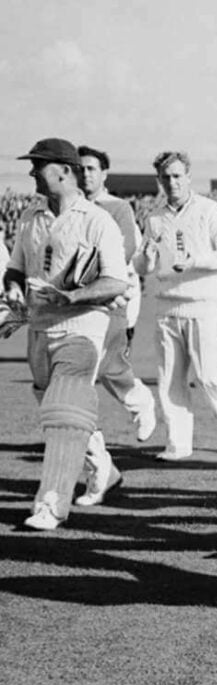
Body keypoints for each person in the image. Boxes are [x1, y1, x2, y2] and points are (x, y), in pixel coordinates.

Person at [4, 138, 129, 529]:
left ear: (63, 170)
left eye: (38, 166)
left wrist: (70, 296)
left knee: (62, 415)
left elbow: (115, 281)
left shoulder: (97, 220)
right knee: (58, 409)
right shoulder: (30, 216)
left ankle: (51, 505)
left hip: (83, 326)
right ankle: (103, 470)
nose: (31, 173)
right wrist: (13, 291)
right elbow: (17, 269)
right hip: (39, 328)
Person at [134, 151, 217, 461]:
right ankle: (178, 444)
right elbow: (140, 266)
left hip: (202, 303)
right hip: (166, 305)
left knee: (209, 376)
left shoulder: (209, 210)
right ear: (160, 180)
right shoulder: (154, 217)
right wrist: (148, 258)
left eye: (178, 176)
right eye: (166, 177)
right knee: (169, 380)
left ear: (188, 177)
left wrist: (195, 261)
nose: (172, 182)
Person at [78, 145, 158, 444]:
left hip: (112, 300)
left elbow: (124, 254)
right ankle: (80, 435)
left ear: (104, 174)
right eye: (80, 169)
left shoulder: (118, 208)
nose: (85, 174)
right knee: (83, 370)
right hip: (77, 302)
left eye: (91, 169)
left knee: (108, 369)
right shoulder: (68, 207)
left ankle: (139, 404)